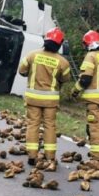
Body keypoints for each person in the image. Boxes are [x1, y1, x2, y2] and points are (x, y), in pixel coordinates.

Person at [18, 28, 71, 165]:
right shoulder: (63, 62)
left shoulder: (32, 55)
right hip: (50, 101)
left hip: (33, 98)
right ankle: (50, 156)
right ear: (60, 43)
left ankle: (32, 156)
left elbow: (21, 71)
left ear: (45, 40)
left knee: (33, 125)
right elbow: (65, 79)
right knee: (50, 126)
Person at [72, 30, 99, 166]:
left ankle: (98, 158)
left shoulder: (90, 56)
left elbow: (85, 78)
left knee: (96, 128)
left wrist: (75, 91)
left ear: (87, 44)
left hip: (94, 101)